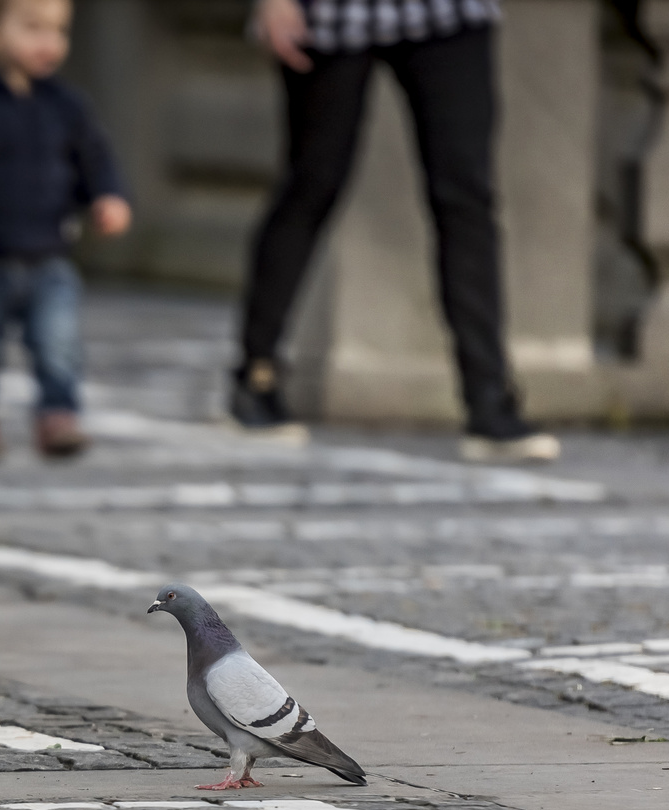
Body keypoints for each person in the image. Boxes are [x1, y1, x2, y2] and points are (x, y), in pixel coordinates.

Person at [239, 0, 561, 464]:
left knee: (466, 197)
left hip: (449, 13)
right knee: (312, 183)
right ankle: (256, 374)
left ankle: (489, 399)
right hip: (333, 16)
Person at [0, 0, 131, 460]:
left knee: (59, 343)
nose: (49, 42)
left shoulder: (67, 104)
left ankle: (59, 416)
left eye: (58, 30)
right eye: (33, 28)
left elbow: (95, 160)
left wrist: (108, 197)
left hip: (51, 254)